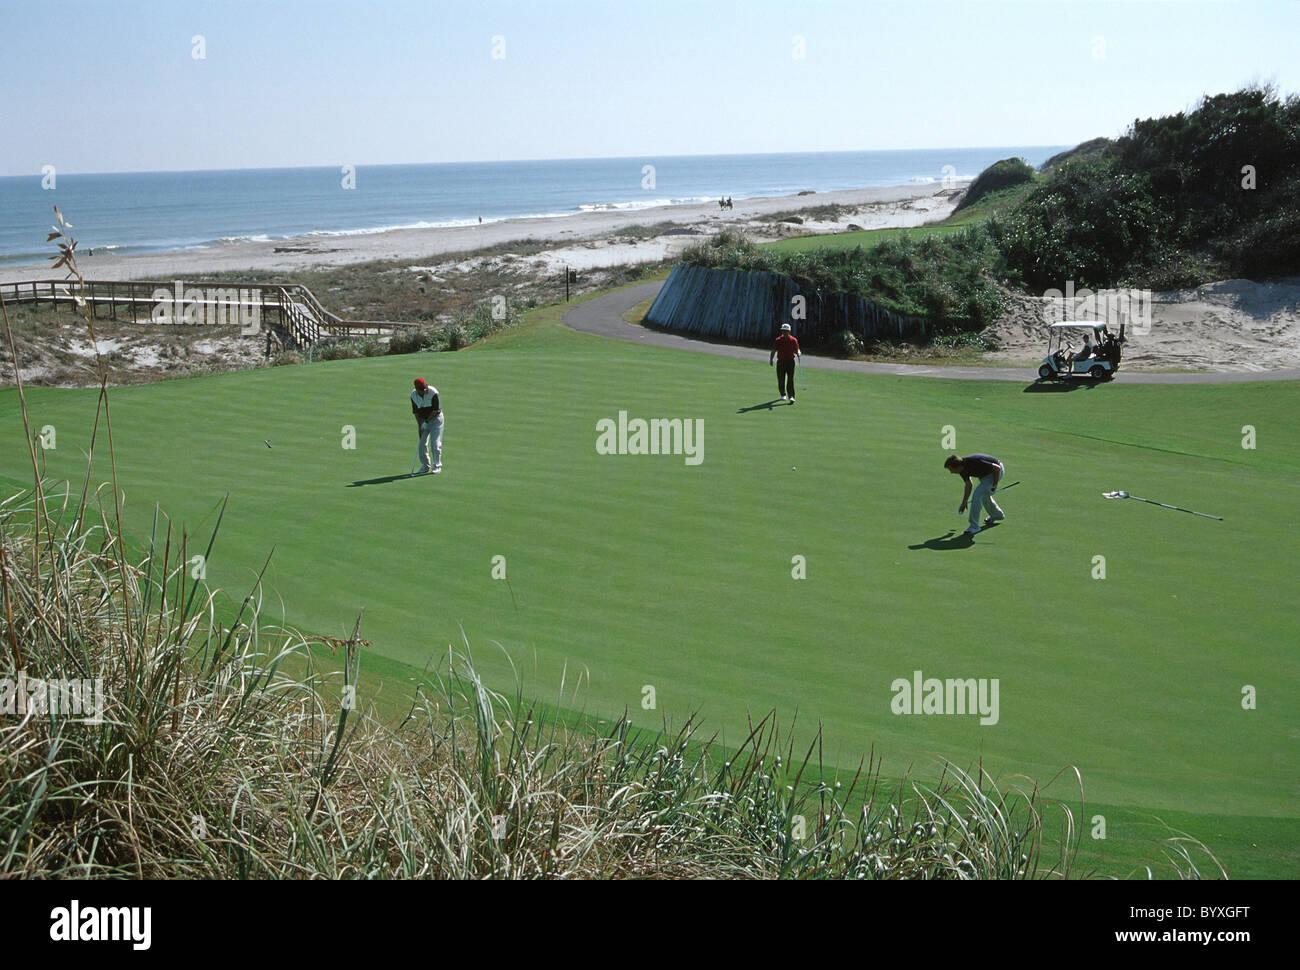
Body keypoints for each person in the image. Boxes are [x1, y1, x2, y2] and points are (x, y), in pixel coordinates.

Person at [944, 453, 1005, 534]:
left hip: (996, 472)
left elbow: (997, 468)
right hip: (985, 475)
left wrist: (995, 484)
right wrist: (964, 502)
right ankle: (997, 515)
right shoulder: (962, 470)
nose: (951, 472)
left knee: (977, 495)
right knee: (983, 496)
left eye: (951, 469)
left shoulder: (974, 461)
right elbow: (969, 485)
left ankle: (974, 527)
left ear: (957, 467)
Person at [410, 377, 443, 475]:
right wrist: (420, 426)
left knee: (435, 444)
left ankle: (437, 466)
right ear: (417, 390)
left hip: (436, 420)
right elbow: (416, 413)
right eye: (422, 389)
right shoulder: (413, 395)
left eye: (425, 388)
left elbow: (435, 410)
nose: (425, 390)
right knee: (421, 444)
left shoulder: (433, 392)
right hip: (423, 420)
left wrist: (426, 422)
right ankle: (425, 466)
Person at [769, 323, 800, 402]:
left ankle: (791, 396)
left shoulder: (793, 340)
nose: (784, 333)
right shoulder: (778, 340)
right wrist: (771, 359)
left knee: (790, 379)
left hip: (790, 362)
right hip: (781, 362)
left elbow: (796, 350)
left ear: (789, 331)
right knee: (781, 379)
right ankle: (783, 394)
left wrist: (798, 353)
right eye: (783, 331)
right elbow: (774, 350)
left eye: (786, 331)